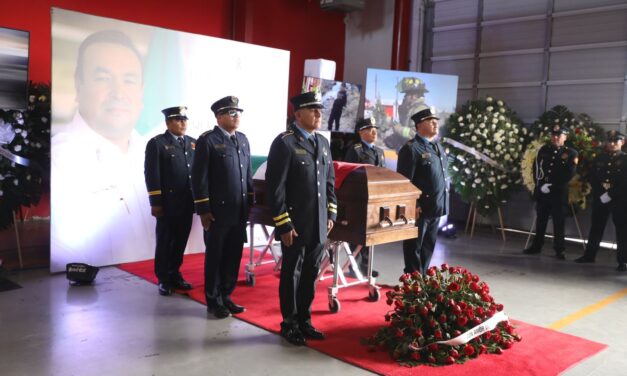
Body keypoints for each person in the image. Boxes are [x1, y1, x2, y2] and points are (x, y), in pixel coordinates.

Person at [51, 30, 153, 272]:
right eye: (103, 78)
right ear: (79, 86)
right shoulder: (62, 160)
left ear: (141, 91)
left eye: (128, 80)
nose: (118, 92)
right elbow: (65, 258)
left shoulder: (154, 151)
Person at [266, 91, 337, 346]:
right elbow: (276, 189)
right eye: (312, 109)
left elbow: (329, 182)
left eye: (319, 109)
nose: (319, 114)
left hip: (318, 224)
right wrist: (283, 224)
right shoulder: (285, 143)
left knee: (311, 273)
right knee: (291, 273)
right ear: (298, 114)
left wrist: (331, 213)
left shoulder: (323, 143)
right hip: (295, 225)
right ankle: (290, 323)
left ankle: (305, 320)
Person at [191, 96, 253, 319]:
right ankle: (213, 300)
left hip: (238, 211)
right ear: (218, 117)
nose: (236, 116)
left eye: (238, 112)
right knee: (216, 256)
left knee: (233, 255)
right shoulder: (208, 140)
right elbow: (199, 179)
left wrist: (250, 205)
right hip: (217, 213)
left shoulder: (243, 140)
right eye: (231, 113)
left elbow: (247, 177)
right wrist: (204, 210)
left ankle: (226, 295)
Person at [144, 106, 196, 296]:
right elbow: (151, 174)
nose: (182, 123)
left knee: (181, 241)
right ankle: (163, 278)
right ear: (167, 123)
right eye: (177, 120)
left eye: (184, 119)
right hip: (167, 204)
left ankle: (175, 274)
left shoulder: (193, 143)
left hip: (187, 202)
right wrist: (155, 202)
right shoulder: (157, 143)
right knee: (165, 241)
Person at [397, 108, 449, 276]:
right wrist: (414, 204)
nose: (435, 123)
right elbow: (405, 181)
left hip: (435, 206)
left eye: (436, 120)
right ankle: (412, 280)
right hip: (419, 209)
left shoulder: (437, 146)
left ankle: (423, 277)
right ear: (419, 125)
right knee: (414, 246)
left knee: (428, 245)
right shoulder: (411, 148)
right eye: (430, 120)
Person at [523, 125, 578, 260]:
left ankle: (559, 249)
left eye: (559, 135)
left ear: (565, 137)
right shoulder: (543, 150)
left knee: (559, 221)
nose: (555, 137)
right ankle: (536, 246)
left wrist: (551, 186)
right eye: (554, 135)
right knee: (541, 219)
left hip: (558, 193)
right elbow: (536, 169)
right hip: (543, 191)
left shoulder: (571, 153)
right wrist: (540, 186)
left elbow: (569, 174)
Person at [574, 131, 627, 271]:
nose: (612, 143)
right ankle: (589, 256)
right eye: (610, 141)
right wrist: (601, 193)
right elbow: (594, 177)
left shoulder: (625, 159)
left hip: (619, 200)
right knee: (596, 227)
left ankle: (623, 261)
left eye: (616, 141)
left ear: (623, 142)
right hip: (601, 198)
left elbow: (625, 182)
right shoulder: (600, 157)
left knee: (622, 230)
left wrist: (611, 194)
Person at [343, 117, 385, 278]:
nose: (374, 132)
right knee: (357, 234)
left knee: (371, 234)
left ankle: (366, 265)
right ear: (361, 132)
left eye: (375, 128)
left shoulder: (379, 152)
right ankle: (354, 266)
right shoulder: (355, 150)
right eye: (369, 129)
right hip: (359, 199)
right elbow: (349, 174)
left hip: (375, 199)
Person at [385, 77, 429, 150]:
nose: (404, 97)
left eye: (406, 95)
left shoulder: (420, 110)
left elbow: (415, 134)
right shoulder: (412, 109)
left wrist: (398, 129)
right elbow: (406, 126)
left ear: (413, 96)